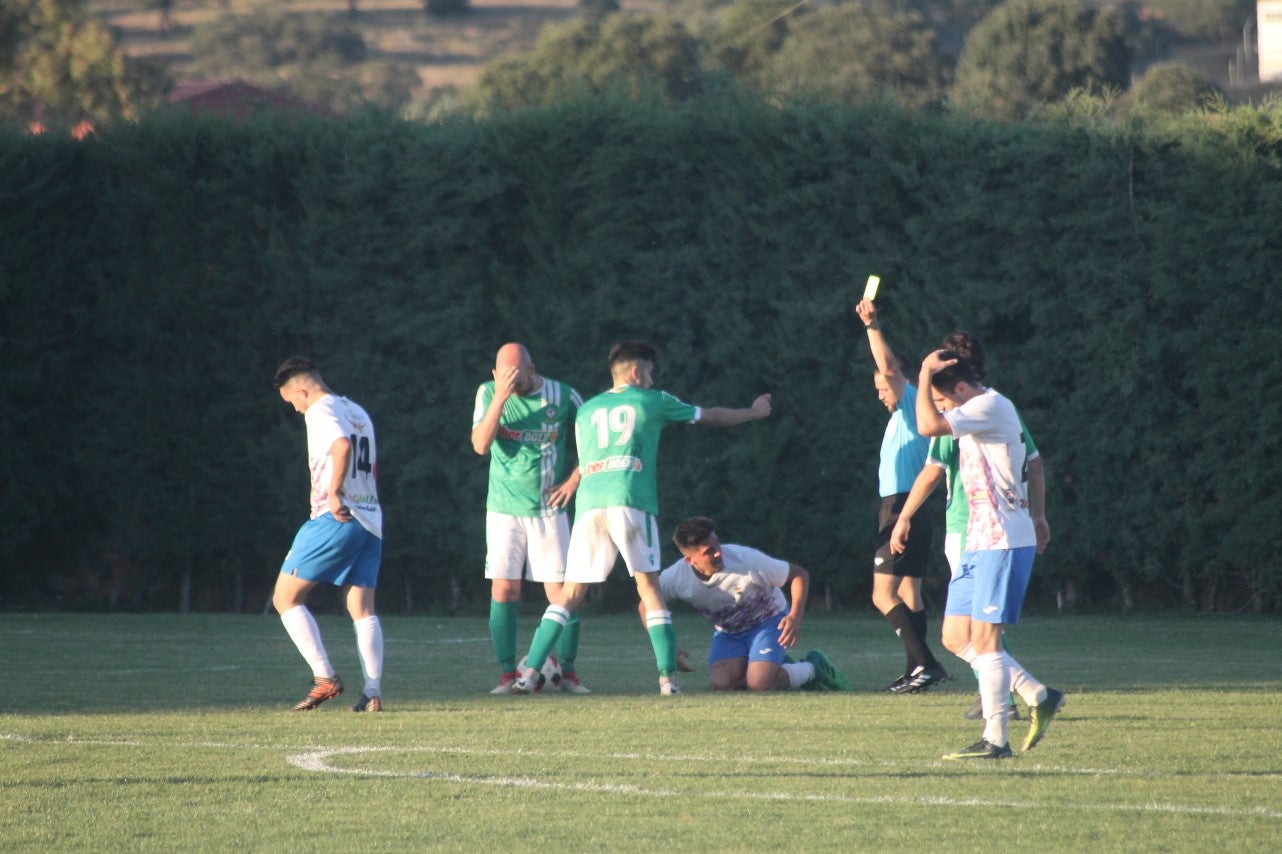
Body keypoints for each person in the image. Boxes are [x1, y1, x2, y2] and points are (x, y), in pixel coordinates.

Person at [512, 340, 773, 695]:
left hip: (590, 503)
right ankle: (667, 678)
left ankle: (528, 672)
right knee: (649, 588)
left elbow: (586, 462)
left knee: (570, 593)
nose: (652, 378)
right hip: (630, 500)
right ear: (636, 371)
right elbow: (708, 415)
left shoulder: (587, 410)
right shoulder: (652, 400)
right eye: (649, 370)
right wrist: (752, 412)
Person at [895, 348, 1064, 759]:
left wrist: (921, 373)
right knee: (955, 636)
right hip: (978, 541)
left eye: (942, 399)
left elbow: (926, 425)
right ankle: (1036, 693)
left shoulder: (989, 405)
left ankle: (996, 739)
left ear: (960, 388)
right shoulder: (976, 407)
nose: (941, 409)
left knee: (987, 640)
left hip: (1002, 541)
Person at [471, 342, 588, 694]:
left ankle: (567, 672)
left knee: (562, 592)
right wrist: (500, 399)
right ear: (495, 374)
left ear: (532, 369)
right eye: (504, 375)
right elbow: (480, 444)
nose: (512, 381)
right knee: (505, 588)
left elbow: (595, 440)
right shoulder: (488, 393)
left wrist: (574, 479)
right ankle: (508, 673)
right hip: (503, 509)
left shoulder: (564, 395)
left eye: (518, 376)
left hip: (548, 509)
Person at [272, 357, 385, 712]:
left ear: (303, 390)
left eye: (294, 402)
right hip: (370, 520)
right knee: (361, 607)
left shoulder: (320, 411)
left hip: (334, 516)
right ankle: (372, 691)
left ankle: (325, 677)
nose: (297, 409)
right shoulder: (356, 410)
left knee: (285, 598)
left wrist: (334, 493)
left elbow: (341, 447)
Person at [854, 298, 948, 693]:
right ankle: (916, 672)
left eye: (882, 388)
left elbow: (889, 368)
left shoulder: (911, 401)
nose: (880, 394)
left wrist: (872, 326)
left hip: (902, 507)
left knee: (881, 594)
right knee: (909, 589)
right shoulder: (903, 415)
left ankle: (927, 664)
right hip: (915, 506)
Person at [649, 516, 852, 692]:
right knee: (721, 684)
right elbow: (646, 605)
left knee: (758, 684)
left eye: (717, 545)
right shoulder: (676, 577)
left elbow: (799, 575)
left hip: (769, 620)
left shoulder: (746, 560)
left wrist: (794, 617)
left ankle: (812, 668)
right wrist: (665, 647)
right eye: (709, 552)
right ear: (689, 561)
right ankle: (776, 664)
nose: (718, 553)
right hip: (729, 632)